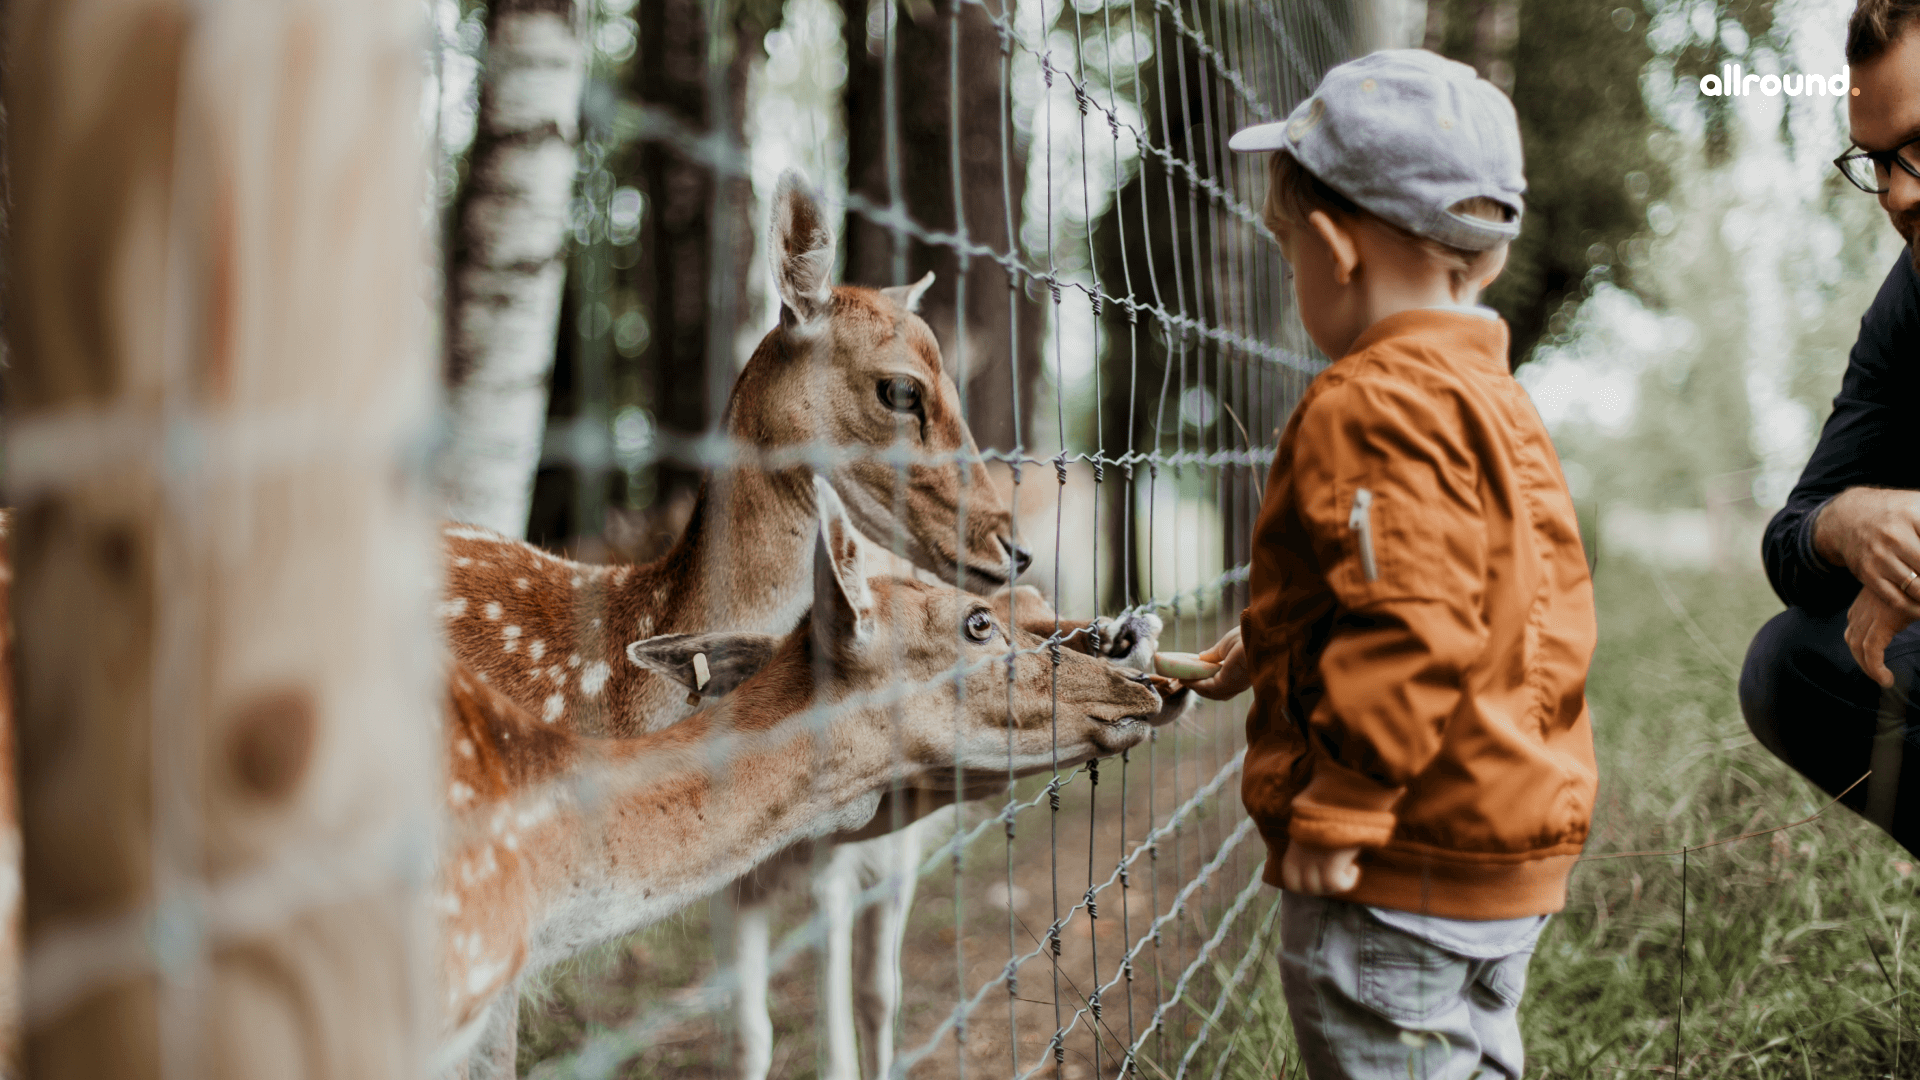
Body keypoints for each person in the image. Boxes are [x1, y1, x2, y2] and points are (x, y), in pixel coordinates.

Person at [1181, 49, 1598, 1080]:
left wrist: (1349, 800)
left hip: (1394, 862)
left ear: (1332, 248)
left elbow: (1414, 618)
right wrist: (1282, 636)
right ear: (1490, 260)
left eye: (1289, 258)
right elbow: (1485, 592)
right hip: (1501, 849)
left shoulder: (1368, 401)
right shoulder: (1495, 400)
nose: (1296, 283)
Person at [1739, 0, 1920, 852]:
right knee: (1793, 666)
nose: (1899, 196)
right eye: (1878, 163)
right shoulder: (1910, 300)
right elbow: (1789, 543)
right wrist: (1847, 527)